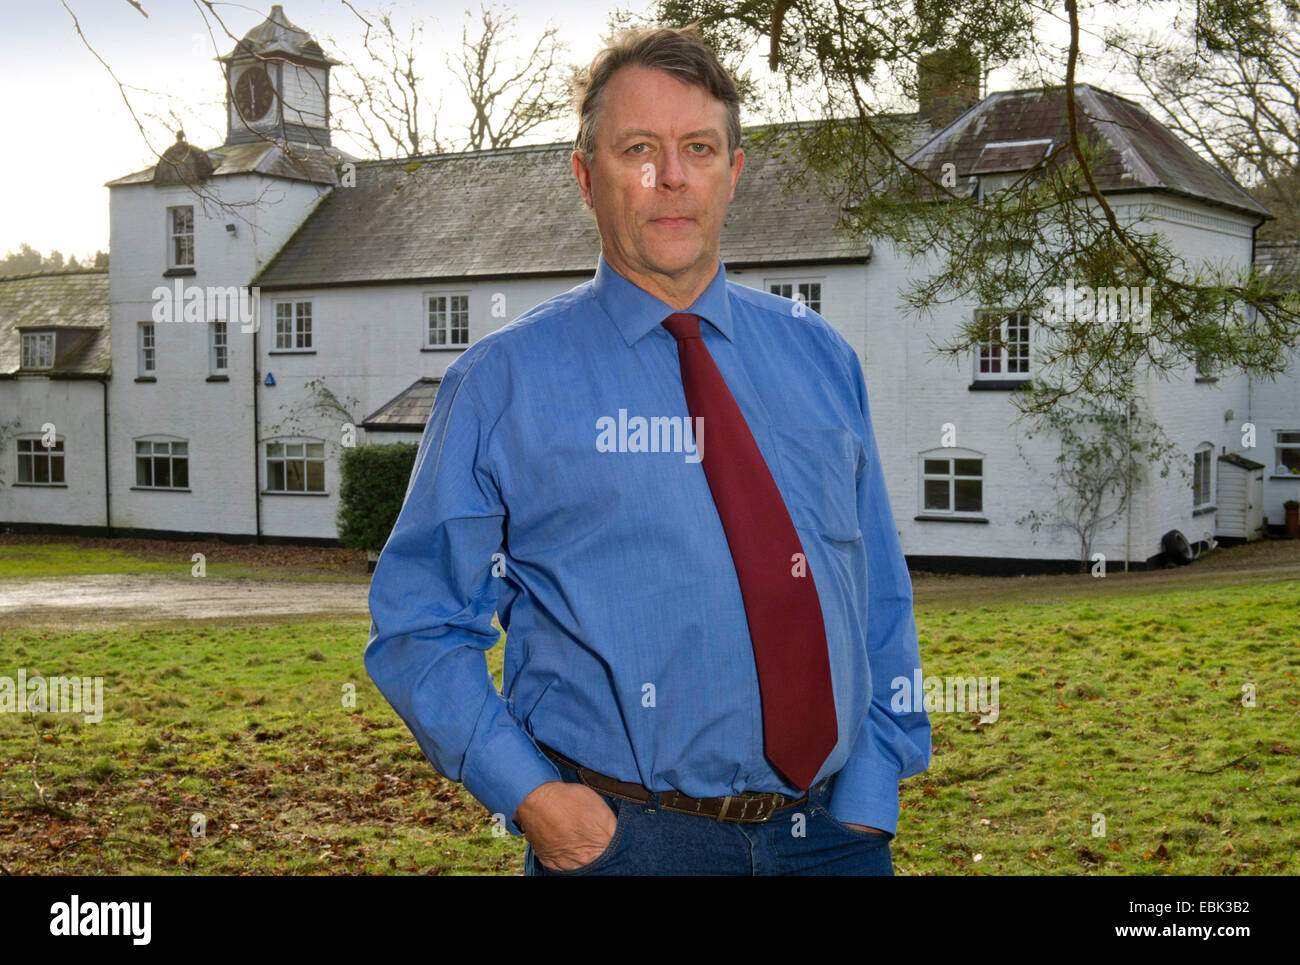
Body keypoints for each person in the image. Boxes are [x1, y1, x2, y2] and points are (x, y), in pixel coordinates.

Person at [365, 24, 931, 876]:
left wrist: (875, 785)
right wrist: (537, 800)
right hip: (629, 844)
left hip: (835, 840)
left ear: (733, 173)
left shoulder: (822, 357)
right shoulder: (501, 383)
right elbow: (417, 624)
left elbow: (878, 591)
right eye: (639, 148)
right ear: (585, 175)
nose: (671, 177)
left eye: (698, 148)